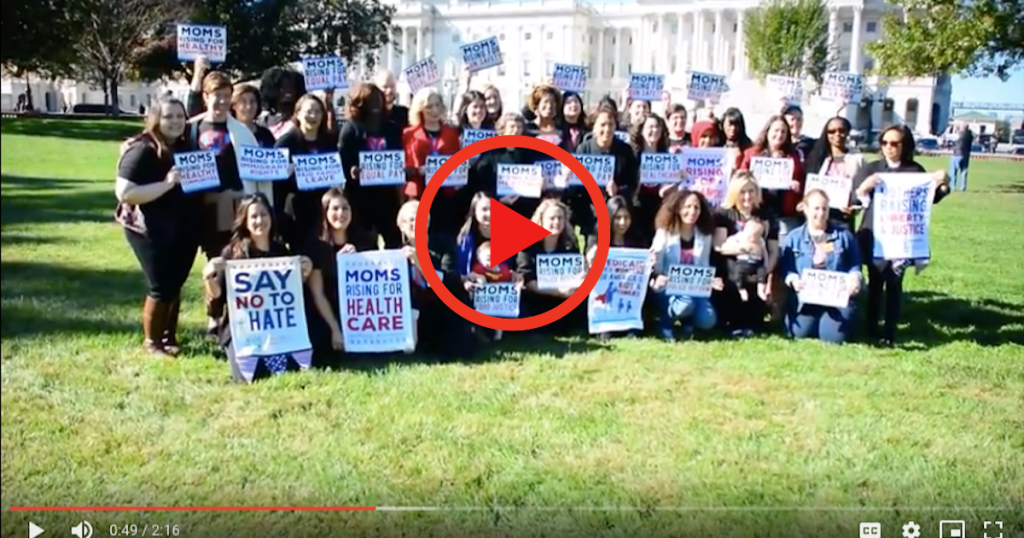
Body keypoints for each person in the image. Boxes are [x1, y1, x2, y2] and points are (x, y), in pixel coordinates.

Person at [853, 124, 950, 346]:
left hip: (901, 238)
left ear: (904, 145)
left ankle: (889, 332)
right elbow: (855, 199)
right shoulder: (872, 168)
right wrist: (864, 187)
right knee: (875, 284)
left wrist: (943, 182)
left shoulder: (914, 171)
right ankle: (870, 330)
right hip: (875, 235)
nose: (889, 148)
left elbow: (931, 197)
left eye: (894, 143)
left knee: (894, 285)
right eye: (885, 143)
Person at [201, 193, 314, 382]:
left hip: (276, 328)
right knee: (250, 376)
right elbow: (217, 297)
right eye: (253, 216)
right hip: (242, 330)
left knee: (292, 368)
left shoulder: (281, 252)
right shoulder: (232, 253)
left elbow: (290, 295)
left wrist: (305, 272)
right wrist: (208, 277)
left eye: (264, 214)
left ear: (271, 217)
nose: (259, 220)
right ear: (244, 221)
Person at [114, 96, 196, 356]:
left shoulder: (187, 147)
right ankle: (152, 343)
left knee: (175, 282)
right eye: (168, 116)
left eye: (179, 117)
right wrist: (167, 184)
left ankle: (169, 336)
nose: (175, 122)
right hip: (147, 229)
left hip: (182, 224)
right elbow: (125, 193)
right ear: (156, 119)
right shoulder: (141, 148)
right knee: (161, 284)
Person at [301, 188, 377, 364]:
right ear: (325, 212)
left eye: (345, 208)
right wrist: (335, 329)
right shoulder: (316, 246)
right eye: (334, 209)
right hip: (327, 312)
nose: (340, 213)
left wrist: (358, 260)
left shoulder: (365, 241)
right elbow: (318, 295)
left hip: (360, 311)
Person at [781, 189, 862, 344]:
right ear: (805, 209)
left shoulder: (843, 236)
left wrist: (855, 278)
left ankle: (838, 320)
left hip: (836, 300)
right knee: (799, 333)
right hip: (806, 299)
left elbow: (854, 265)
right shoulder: (794, 238)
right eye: (816, 208)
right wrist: (793, 280)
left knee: (833, 338)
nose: (821, 213)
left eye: (825, 208)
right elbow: (787, 268)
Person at [396, 201, 475, 357]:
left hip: (441, 306)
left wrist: (418, 262)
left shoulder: (443, 245)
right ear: (401, 226)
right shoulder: (395, 251)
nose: (415, 223)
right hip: (410, 309)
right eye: (410, 220)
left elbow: (448, 279)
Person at [647, 189, 722, 340]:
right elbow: (655, 263)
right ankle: (665, 323)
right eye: (687, 207)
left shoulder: (705, 235)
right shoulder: (664, 233)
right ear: (678, 208)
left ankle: (688, 324)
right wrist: (657, 275)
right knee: (685, 304)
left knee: (708, 319)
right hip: (668, 288)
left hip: (695, 289)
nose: (692, 211)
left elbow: (704, 266)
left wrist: (711, 281)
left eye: (696, 207)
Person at [339, 83, 405, 248]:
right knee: (363, 241)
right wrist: (351, 170)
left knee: (393, 240)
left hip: (387, 195)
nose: (375, 105)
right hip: (360, 196)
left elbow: (399, 155)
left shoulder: (391, 128)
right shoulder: (351, 128)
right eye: (370, 101)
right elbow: (342, 160)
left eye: (378, 100)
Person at [713, 171, 777, 337]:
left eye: (751, 191)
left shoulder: (766, 215)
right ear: (734, 193)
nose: (747, 197)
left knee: (757, 294)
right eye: (742, 192)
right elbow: (720, 246)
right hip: (731, 269)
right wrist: (746, 248)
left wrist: (766, 273)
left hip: (758, 270)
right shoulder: (723, 214)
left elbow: (773, 250)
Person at [274, 94, 339, 248]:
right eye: (309, 111)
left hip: (324, 209)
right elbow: (275, 182)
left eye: (318, 112)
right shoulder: (286, 142)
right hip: (296, 211)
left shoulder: (329, 141)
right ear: (298, 114)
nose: (313, 116)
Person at [515, 198, 586, 336]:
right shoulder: (527, 245)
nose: (556, 222)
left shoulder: (570, 244)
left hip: (563, 298)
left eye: (560, 218)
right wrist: (557, 291)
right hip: (536, 297)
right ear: (541, 220)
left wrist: (581, 277)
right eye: (552, 218)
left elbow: (576, 274)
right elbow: (527, 280)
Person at [402, 87, 463, 232]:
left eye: (438, 105)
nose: (434, 110)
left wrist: (459, 176)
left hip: (445, 193)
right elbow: (405, 164)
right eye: (429, 106)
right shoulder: (409, 134)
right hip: (419, 192)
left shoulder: (452, 134)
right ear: (420, 109)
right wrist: (419, 170)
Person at [804, 116, 864, 228]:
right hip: (818, 215)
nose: (837, 134)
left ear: (847, 133)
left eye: (842, 130)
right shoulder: (817, 158)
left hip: (842, 216)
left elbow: (860, 189)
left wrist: (854, 205)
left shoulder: (857, 159)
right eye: (832, 131)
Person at [949, 122, 973, 192]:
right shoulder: (970, 135)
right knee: (964, 172)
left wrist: (954, 129)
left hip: (957, 154)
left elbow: (949, 137)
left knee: (953, 171)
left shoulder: (958, 135)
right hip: (966, 155)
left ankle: (953, 186)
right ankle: (963, 187)